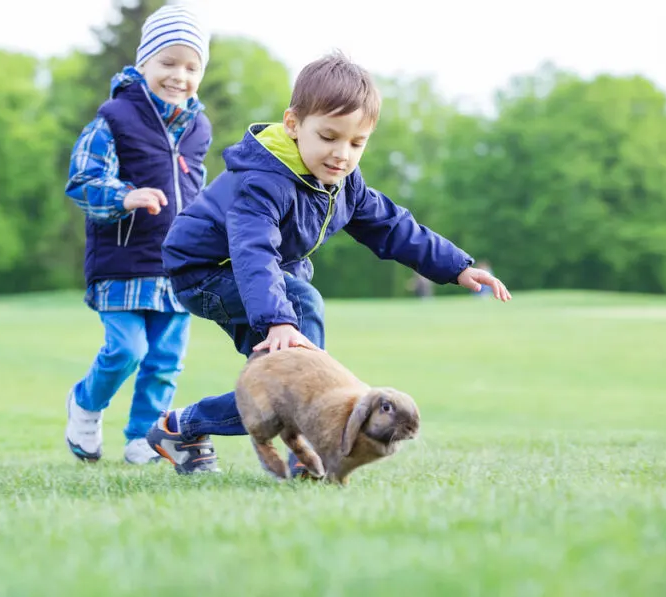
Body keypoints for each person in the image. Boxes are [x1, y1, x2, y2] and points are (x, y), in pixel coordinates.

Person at [145, 51, 511, 475]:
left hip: (264, 277)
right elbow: (253, 251)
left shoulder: (343, 184)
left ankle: (181, 427)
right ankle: (309, 454)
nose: (342, 154)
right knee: (303, 324)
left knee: (277, 386)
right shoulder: (262, 180)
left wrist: (456, 266)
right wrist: (279, 320)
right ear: (293, 124)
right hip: (205, 271)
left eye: (357, 143)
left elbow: (392, 226)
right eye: (329, 136)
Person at [62, 2, 212, 465]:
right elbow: (83, 183)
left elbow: (197, 191)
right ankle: (85, 406)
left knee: (165, 360)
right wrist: (125, 196)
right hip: (123, 263)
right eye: (168, 62)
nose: (179, 76)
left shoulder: (198, 127)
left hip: (178, 267)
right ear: (143, 62)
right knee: (127, 349)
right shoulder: (113, 119)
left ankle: (142, 438)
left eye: (191, 67)